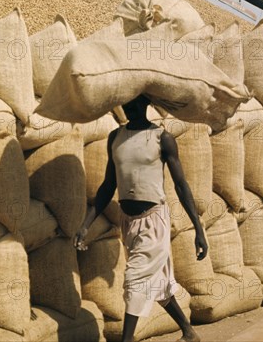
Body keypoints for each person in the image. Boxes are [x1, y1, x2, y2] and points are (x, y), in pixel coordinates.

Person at [74, 94, 208, 342]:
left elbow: (181, 186)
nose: (131, 109)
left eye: (136, 104)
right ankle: (189, 332)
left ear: (146, 104)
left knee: (135, 279)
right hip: (129, 222)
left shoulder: (162, 138)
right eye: (127, 105)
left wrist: (199, 230)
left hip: (154, 220)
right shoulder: (116, 138)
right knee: (156, 283)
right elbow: (108, 186)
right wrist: (85, 225)